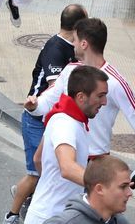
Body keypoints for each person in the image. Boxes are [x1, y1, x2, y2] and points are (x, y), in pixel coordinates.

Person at [30, 18, 135, 192]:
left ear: (84, 44)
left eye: (75, 40)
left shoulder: (115, 82)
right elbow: (50, 99)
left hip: (95, 163)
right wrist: (35, 106)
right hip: (67, 157)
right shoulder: (70, 70)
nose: (73, 44)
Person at [2, 4, 88, 224]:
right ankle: (11, 215)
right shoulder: (56, 49)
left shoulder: (73, 47)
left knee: (46, 172)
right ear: (78, 26)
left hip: (50, 120)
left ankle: (30, 200)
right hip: (36, 120)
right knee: (36, 173)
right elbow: (57, 90)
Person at [23, 65, 109, 224]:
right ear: (81, 97)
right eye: (100, 96)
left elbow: (38, 159)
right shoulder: (66, 124)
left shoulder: (67, 118)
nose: (104, 102)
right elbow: (68, 168)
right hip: (50, 217)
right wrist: (104, 187)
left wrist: (52, 186)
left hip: (50, 214)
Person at [43, 155, 132, 224]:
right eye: (123, 187)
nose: (129, 193)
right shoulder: (65, 222)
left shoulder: (120, 221)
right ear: (99, 189)